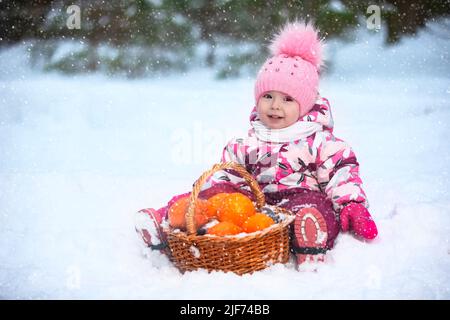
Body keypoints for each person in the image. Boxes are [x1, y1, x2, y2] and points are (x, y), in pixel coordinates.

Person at [134, 21, 378, 269]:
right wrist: (217, 194)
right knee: (215, 197)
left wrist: (352, 205)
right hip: (256, 206)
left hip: (301, 199)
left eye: (287, 99)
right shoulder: (247, 143)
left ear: (304, 104)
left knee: (316, 208)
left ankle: (310, 241)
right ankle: (170, 222)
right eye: (267, 96)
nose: (275, 106)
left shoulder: (319, 141)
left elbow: (341, 173)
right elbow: (228, 175)